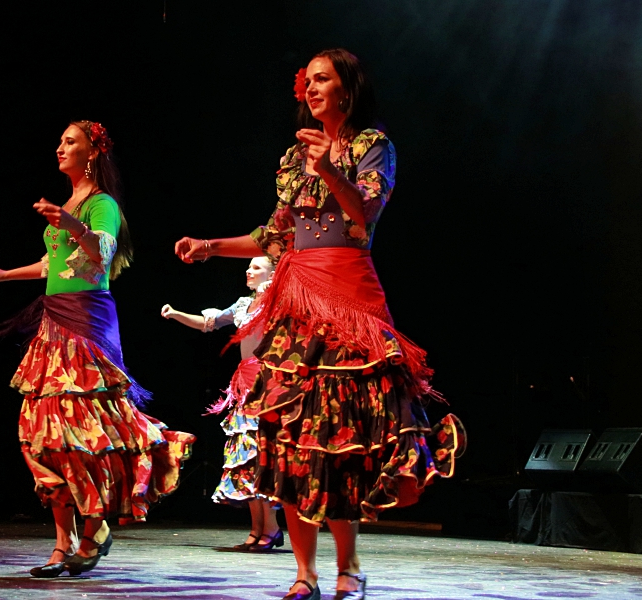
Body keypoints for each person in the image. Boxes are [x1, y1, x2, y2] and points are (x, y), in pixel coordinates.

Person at [173, 49, 463, 600]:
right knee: (288, 432)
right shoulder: (291, 159)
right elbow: (275, 237)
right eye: (307, 79)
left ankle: (347, 566)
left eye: (322, 79)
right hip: (296, 297)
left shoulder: (371, 146)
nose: (309, 87)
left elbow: (365, 215)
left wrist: (329, 165)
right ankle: (304, 572)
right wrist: (210, 248)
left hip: (348, 295)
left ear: (347, 91)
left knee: (344, 435)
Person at [0, 120, 195, 578]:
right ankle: (63, 542)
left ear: (92, 151)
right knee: (42, 431)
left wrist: (71, 222)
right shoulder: (69, 207)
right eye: (59, 141)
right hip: (54, 322)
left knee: (83, 433)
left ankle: (93, 529)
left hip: (88, 322)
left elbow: (102, 254)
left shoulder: (101, 205)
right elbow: (50, 264)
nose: (60, 148)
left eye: (70, 141)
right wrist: (3, 274)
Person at [160, 256, 285, 551]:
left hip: (268, 381)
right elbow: (208, 322)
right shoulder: (243, 304)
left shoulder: (280, 300)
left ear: (273, 274)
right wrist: (176, 313)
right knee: (246, 456)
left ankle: (271, 528)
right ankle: (259, 530)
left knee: (261, 455)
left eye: (256, 268)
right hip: (245, 382)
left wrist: (278, 286)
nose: (248, 271)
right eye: (249, 266)